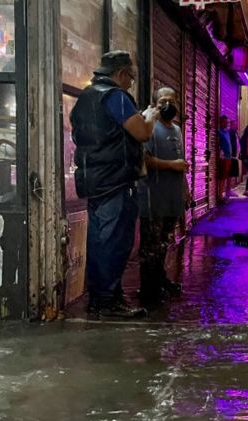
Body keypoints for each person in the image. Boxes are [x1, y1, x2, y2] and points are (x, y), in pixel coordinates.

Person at [70, 50, 160, 317]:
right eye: (130, 78)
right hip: (115, 181)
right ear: (121, 74)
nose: (131, 83)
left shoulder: (86, 97)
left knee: (99, 242)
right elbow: (142, 133)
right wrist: (151, 116)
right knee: (116, 244)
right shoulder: (115, 97)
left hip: (94, 181)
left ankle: (101, 299)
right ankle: (108, 302)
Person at [138, 87, 189, 308]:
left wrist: (185, 190)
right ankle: (148, 290)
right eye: (162, 100)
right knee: (151, 246)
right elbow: (145, 161)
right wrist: (172, 166)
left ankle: (160, 281)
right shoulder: (149, 128)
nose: (167, 104)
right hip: (153, 198)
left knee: (165, 243)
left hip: (172, 198)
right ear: (155, 104)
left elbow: (182, 162)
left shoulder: (177, 130)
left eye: (171, 99)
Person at [217, 116, 235, 200]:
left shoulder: (226, 132)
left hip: (228, 157)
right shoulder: (219, 132)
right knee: (222, 177)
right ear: (220, 122)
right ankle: (220, 195)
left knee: (226, 176)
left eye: (227, 122)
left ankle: (223, 193)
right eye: (224, 122)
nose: (226, 124)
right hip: (223, 158)